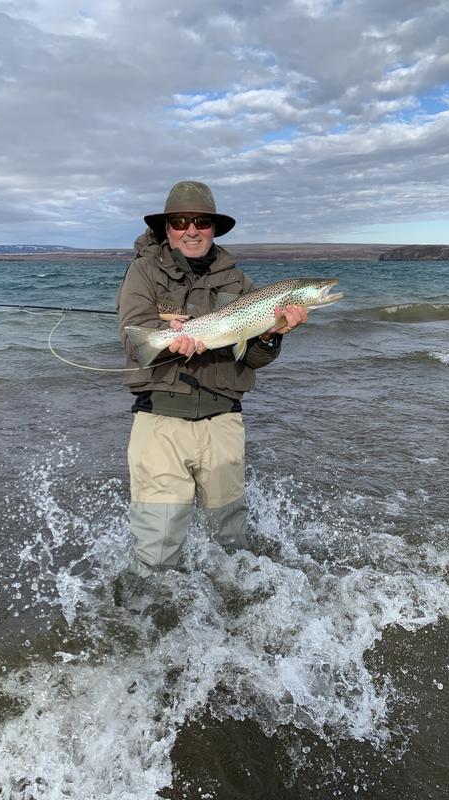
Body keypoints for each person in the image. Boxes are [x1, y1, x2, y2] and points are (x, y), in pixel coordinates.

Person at [116, 181, 307, 577]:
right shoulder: (143, 272)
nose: (191, 230)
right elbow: (134, 338)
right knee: (157, 547)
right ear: (166, 229)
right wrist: (170, 343)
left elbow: (251, 359)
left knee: (231, 541)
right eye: (181, 221)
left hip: (223, 420)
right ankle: (142, 622)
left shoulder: (240, 284)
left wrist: (271, 334)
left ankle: (233, 616)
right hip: (160, 421)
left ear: (214, 228)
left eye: (201, 222)